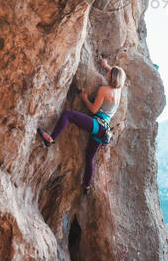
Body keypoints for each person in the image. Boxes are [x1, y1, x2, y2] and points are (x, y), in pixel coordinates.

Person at [37, 57, 125, 193]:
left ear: (111, 76)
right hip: (104, 131)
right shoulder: (118, 92)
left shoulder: (104, 90)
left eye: (108, 72)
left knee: (67, 114)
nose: (107, 73)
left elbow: (94, 110)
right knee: (89, 157)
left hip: (97, 124)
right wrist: (106, 65)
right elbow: (117, 74)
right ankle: (86, 186)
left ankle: (51, 139)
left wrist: (84, 98)